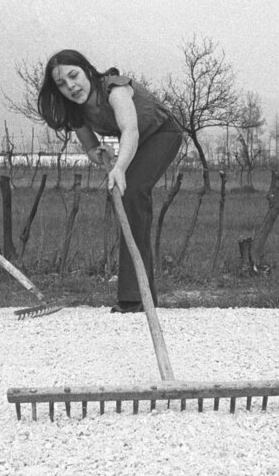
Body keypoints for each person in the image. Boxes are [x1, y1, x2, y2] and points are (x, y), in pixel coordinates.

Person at [38, 50, 182, 313]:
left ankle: (134, 298)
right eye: (61, 84)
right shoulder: (76, 111)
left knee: (132, 191)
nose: (71, 86)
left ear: (88, 70)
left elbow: (130, 129)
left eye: (74, 76)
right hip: (135, 143)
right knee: (130, 202)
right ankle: (141, 297)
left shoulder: (115, 89)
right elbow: (91, 148)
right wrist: (99, 153)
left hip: (162, 133)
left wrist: (120, 167)